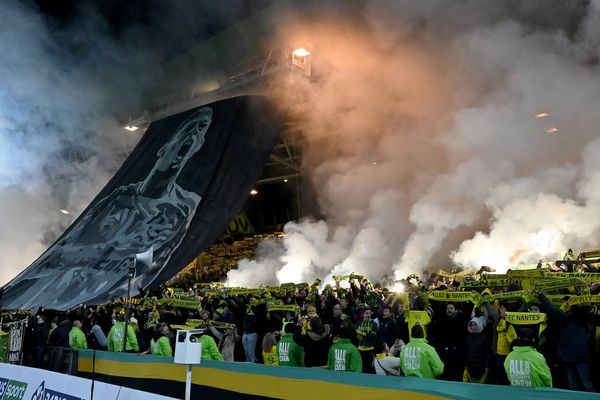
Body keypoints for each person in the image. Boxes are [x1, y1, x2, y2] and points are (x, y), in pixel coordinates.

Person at [3, 107, 214, 310]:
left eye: (199, 133)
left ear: (196, 148)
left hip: (106, 293)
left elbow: (152, 261)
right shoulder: (116, 199)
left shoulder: (183, 207)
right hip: (69, 289)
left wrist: (127, 271)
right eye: (189, 130)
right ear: (163, 148)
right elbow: (66, 247)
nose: (192, 137)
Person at [356, 307, 378, 373]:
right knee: (362, 368)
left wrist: (361, 333)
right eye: (366, 313)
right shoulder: (359, 324)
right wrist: (358, 336)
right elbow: (356, 335)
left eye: (369, 313)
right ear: (363, 314)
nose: (368, 315)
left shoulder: (374, 324)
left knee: (369, 369)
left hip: (369, 349)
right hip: (360, 349)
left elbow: (373, 336)